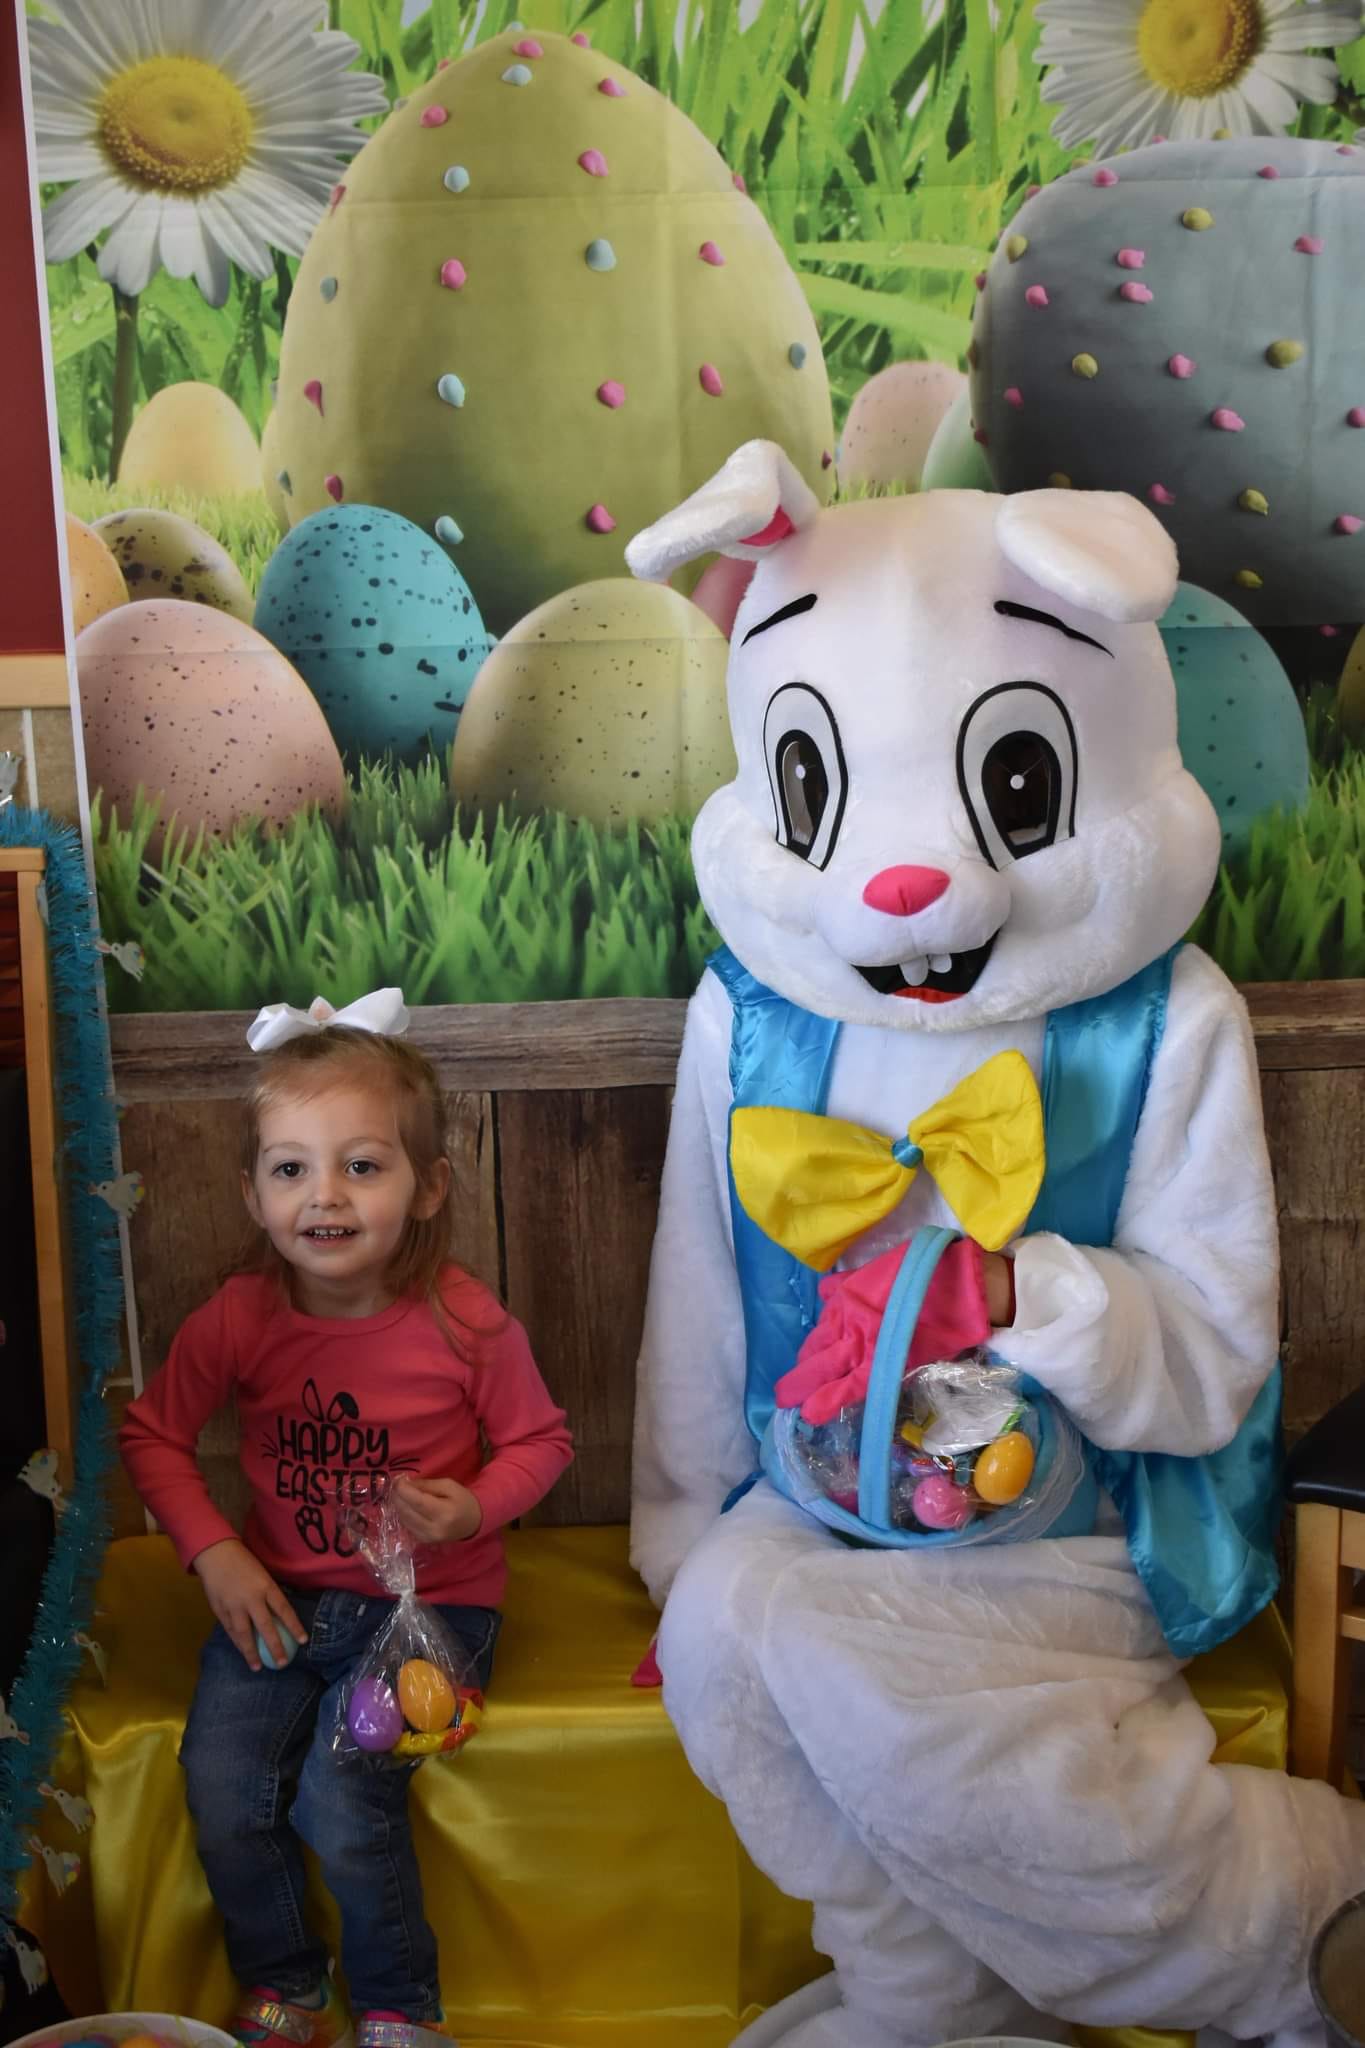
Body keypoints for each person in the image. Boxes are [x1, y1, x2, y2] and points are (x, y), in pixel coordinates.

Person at [120, 989, 573, 2048]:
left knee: (339, 1789)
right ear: (253, 1191)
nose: (324, 1195)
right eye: (291, 1169)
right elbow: (152, 1435)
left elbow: (542, 1442)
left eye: (362, 1165)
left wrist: (474, 1506)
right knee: (223, 1785)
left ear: (428, 1186)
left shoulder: (465, 1320)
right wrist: (217, 1551)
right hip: (278, 1607)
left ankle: (400, 2009)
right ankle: (286, 1985)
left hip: (434, 1613)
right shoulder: (239, 1316)